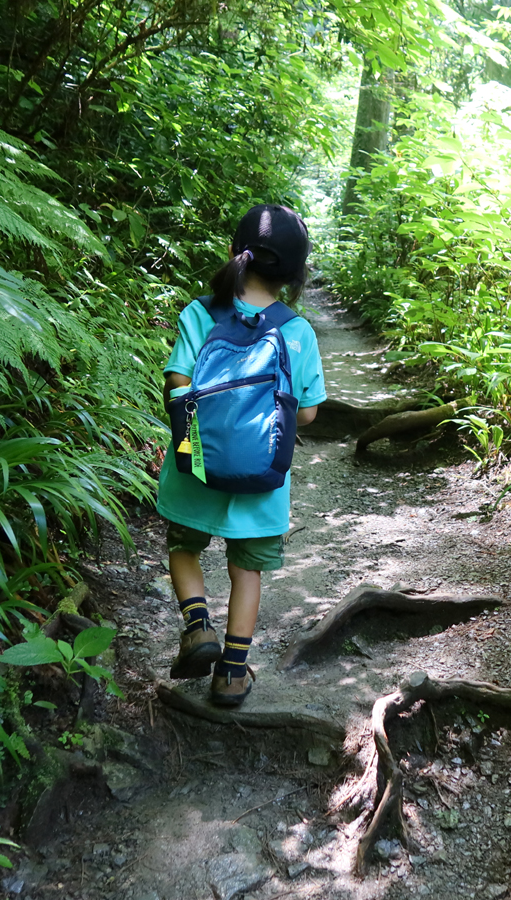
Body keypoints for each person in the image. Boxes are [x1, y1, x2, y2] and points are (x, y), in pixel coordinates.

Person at [156, 204, 325, 706]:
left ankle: (198, 625)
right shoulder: (297, 331)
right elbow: (310, 414)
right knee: (245, 571)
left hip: (195, 468)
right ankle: (231, 673)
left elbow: (177, 384)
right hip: (262, 481)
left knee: (183, 547)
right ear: (295, 276)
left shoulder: (198, 313)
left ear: (235, 254)